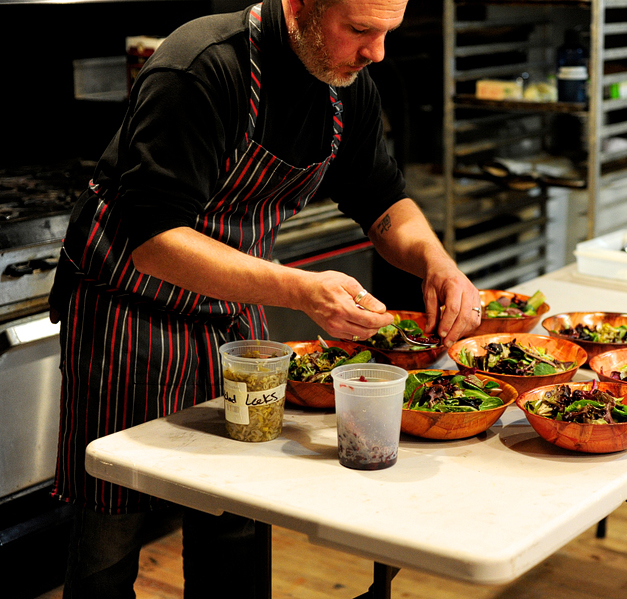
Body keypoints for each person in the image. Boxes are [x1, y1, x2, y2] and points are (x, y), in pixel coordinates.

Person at [48, 0, 481, 596]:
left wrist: (436, 259)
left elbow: (383, 199)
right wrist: (301, 288)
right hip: (130, 317)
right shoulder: (201, 67)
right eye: (359, 30)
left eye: (386, 33)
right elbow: (154, 240)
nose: (376, 52)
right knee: (113, 529)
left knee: (237, 516)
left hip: (231, 317)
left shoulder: (344, 83)